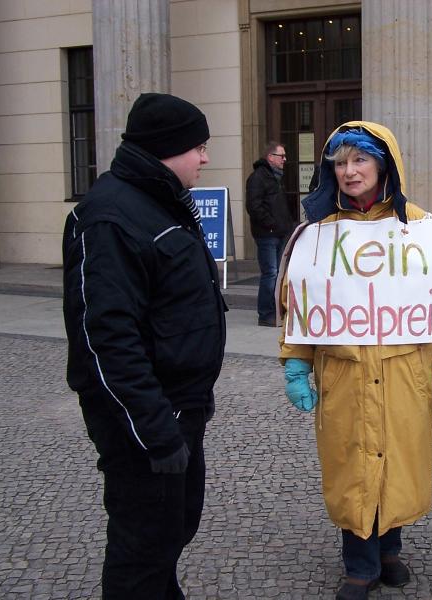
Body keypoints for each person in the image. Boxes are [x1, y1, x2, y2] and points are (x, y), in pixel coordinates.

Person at [277, 122, 432, 600]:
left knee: (398, 461)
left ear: (383, 164)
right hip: (344, 373)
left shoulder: (421, 228)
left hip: (405, 372)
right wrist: (296, 362)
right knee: (352, 464)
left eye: (359, 160)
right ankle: (359, 566)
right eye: (340, 163)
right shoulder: (317, 235)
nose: (349, 171)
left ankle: (390, 551)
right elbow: (300, 304)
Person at [62, 93, 227, 600]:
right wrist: (155, 431)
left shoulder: (157, 200)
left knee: (170, 530)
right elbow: (106, 340)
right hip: (147, 423)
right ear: (167, 148)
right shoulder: (111, 216)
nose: (204, 158)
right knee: (142, 547)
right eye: (198, 147)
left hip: (179, 410)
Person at [246, 141, 294, 326]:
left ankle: (276, 311)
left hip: (279, 232)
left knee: (277, 274)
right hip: (267, 234)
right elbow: (254, 206)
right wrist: (271, 225)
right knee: (271, 273)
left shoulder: (274, 177)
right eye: (281, 156)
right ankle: (266, 314)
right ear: (270, 157)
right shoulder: (258, 177)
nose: (284, 160)